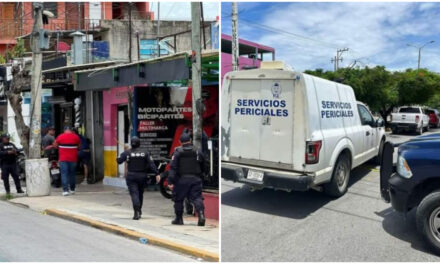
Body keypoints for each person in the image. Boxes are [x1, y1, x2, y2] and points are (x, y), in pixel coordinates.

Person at [164, 131, 206, 226]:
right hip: (195, 179)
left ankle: (179, 219)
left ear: (180, 141)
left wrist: (170, 181)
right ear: (190, 140)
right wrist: (202, 175)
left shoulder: (177, 152)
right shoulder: (197, 151)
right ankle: (201, 215)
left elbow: (173, 167)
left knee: (178, 199)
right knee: (197, 198)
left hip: (181, 180)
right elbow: (204, 164)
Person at [117, 136, 160, 220]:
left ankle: (136, 211)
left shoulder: (128, 152)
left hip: (131, 176)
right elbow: (151, 164)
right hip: (142, 176)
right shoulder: (145, 152)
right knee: (140, 194)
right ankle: (139, 210)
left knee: (134, 194)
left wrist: (123, 155)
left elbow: (119, 160)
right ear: (139, 143)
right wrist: (157, 173)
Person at [53, 126, 81, 196]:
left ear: (64, 130)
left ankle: (65, 190)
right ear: (71, 130)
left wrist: (60, 147)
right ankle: (72, 189)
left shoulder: (60, 136)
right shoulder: (76, 137)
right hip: (73, 159)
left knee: (64, 174)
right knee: (72, 174)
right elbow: (79, 146)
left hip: (63, 159)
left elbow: (55, 145)